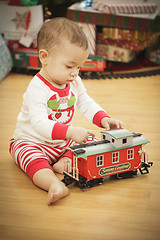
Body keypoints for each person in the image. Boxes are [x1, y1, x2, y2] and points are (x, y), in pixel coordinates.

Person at [9, 18, 123, 206]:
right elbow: (39, 124)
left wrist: (104, 118)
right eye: (69, 66)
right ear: (44, 57)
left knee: (92, 140)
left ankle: (64, 160)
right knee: (32, 159)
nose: (75, 73)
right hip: (33, 141)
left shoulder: (74, 82)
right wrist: (70, 132)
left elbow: (85, 102)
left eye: (79, 67)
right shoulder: (37, 88)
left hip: (61, 141)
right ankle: (54, 184)